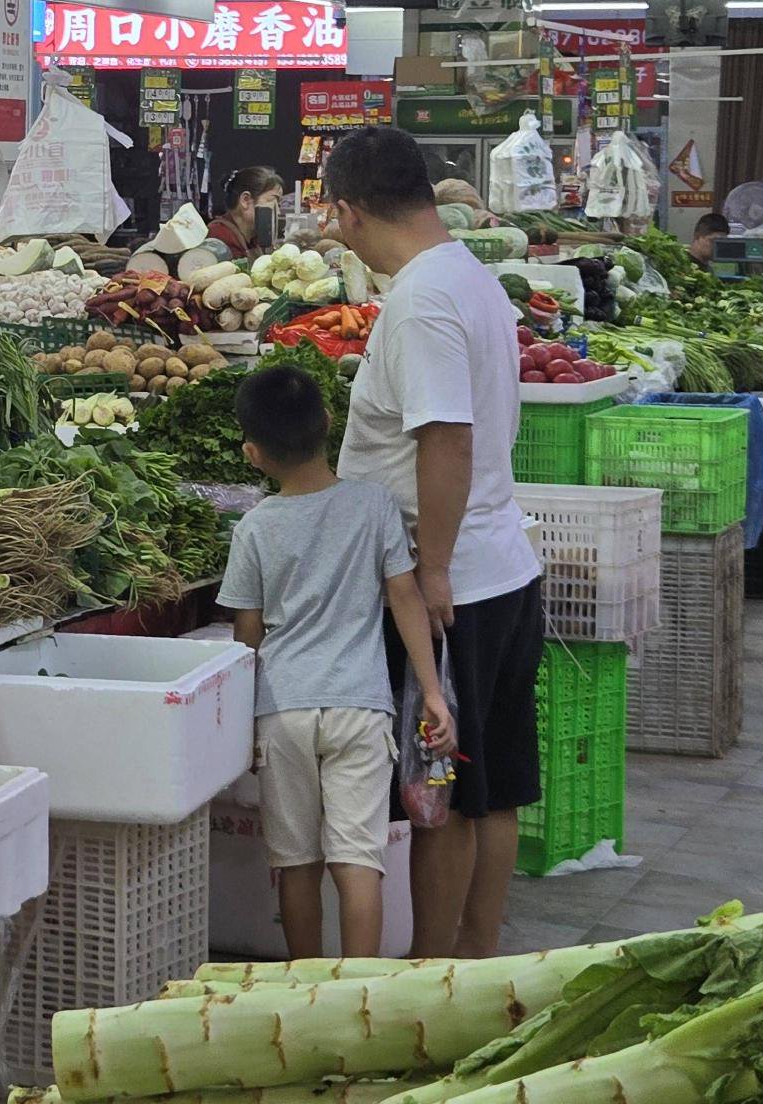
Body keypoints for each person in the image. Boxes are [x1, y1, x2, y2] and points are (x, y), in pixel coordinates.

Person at [320, 125, 544, 960]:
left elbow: (445, 437)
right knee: (491, 791)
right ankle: (478, 962)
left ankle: (434, 973)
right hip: (501, 566)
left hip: (455, 583)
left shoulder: (419, 300)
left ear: (347, 210)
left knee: (439, 792)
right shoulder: (469, 277)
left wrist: (435, 568)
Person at [218, 364, 454, 960]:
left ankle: (306, 986)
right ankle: (361, 992)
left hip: (283, 711)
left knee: (296, 865)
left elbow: (246, 636)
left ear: (251, 452)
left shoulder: (253, 528)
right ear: (329, 422)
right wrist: (430, 691)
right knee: (359, 863)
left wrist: (240, 723)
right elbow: (406, 599)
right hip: (361, 707)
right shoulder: (374, 506)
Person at [208, 166, 286, 259]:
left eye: (279, 205)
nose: (278, 212)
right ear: (245, 200)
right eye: (272, 200)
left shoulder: (254, 238)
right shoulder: (219, 237)